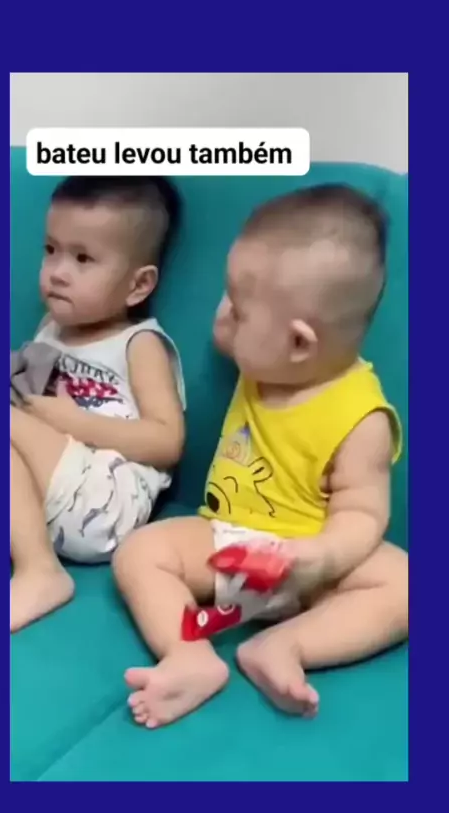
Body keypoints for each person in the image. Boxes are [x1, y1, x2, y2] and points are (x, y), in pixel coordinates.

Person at [113, 183, 408, 729]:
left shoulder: (361, 417)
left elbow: (364, 513)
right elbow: (231, 333)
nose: (223, 314)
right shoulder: (262, 357)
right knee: (140, 551)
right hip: (225, 540)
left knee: (409, 584)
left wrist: (318, 558)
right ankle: (189, 654)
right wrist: (246, 306)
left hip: (312, 565)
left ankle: (285, 644)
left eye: (237, 306)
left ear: (298, 343)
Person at [10, 176, 185, 633]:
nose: (57, 271)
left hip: (105, 502)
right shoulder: (51, 328)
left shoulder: (139, 344)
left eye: (83, 258)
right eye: (51, 250)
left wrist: (75, 422)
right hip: (47, 494)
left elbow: (167, 441)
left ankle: (40, 573)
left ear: (138, 285)